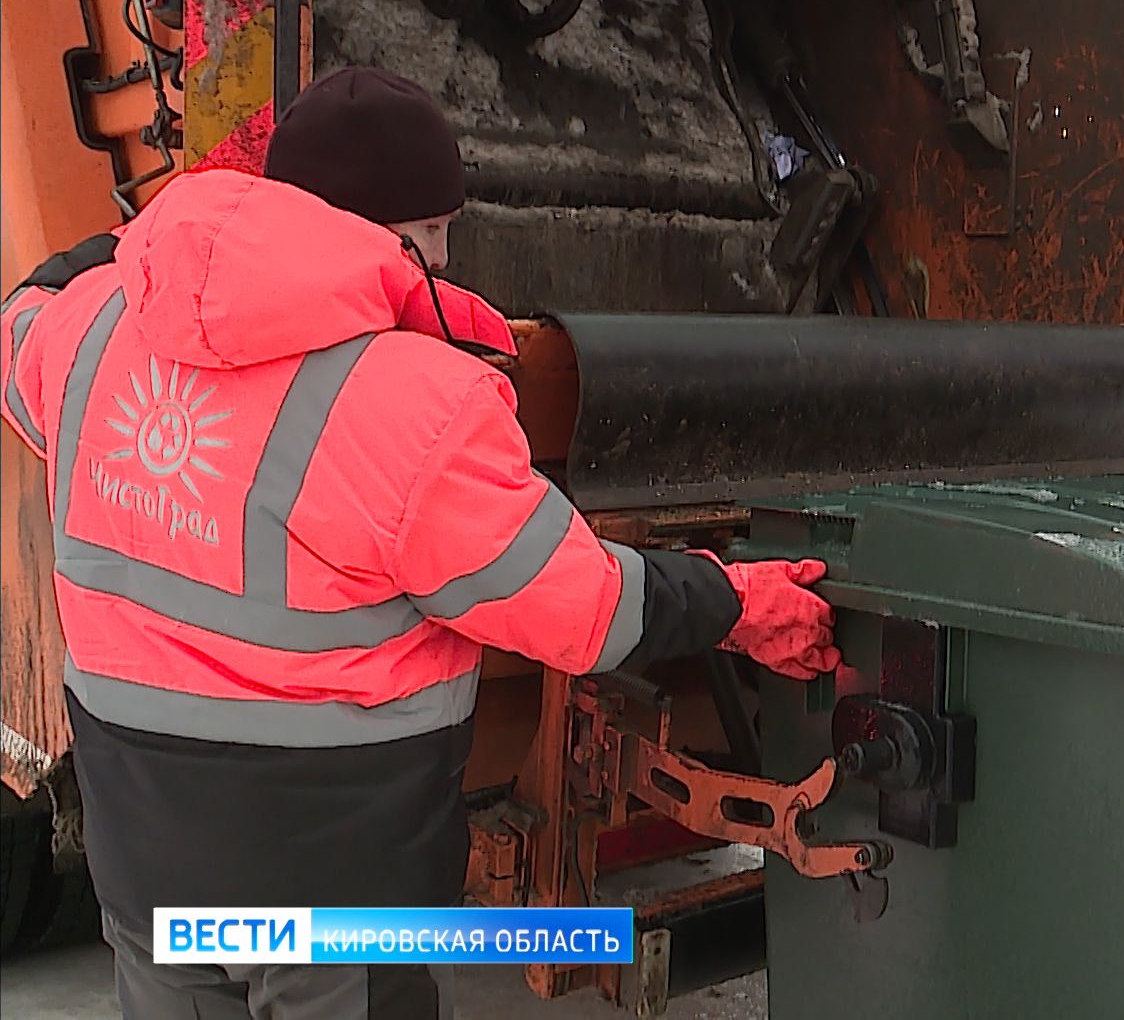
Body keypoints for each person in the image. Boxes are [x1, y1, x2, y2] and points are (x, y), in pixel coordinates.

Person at [0, 66, 841, 1019]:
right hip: (332, 899)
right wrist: (736, 601)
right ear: (399, 238)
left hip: (144, 863)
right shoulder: (417, 404)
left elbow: (21, 313)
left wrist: (138, 245)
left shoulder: (90, 336)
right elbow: (590, 613)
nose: (442, 261)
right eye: (440, 234)